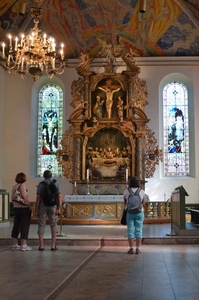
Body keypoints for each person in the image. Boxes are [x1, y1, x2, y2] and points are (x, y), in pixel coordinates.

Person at [35, 170, 62, 251]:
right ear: (51, 176)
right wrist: (59, 208)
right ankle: (53, 246)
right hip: (53, 206)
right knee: (53, 225)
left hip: (43, 206)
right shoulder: (56, 183)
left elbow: (38, 197)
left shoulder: (41, 184)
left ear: (44, 176)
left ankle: (41, 246)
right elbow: (59, 197)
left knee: (41, 225)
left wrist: (36, 209)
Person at [123, 176, 145, 254]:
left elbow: (125, 202)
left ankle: (131, 248)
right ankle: (138, 249)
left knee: (130, 230)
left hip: (130, 213)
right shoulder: (141, 191)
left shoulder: (127, 191)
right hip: (139, 212)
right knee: (139, 230)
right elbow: (143, 202)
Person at [11, 172, 32, 251]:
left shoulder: (14, 186)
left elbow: (12, 198)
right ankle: (24, 244)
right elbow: (24, 196)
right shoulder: (22, 185)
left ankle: (14, 244)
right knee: (24, 225)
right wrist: (29, 205)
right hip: (23, 208)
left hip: (16, 208)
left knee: (16, 225)